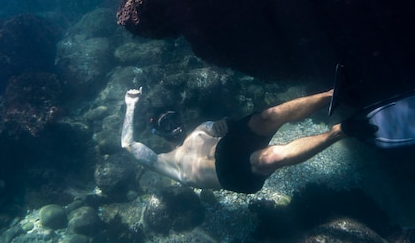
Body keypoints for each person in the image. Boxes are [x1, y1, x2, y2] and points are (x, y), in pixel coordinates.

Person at [121, 87, 344, 194]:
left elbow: (221, 124)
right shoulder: (165, 162)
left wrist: (223, 122)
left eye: (173, 118)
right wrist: (130, 105)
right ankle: (339, 132)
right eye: (165, 124)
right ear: (158, 132)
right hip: (231, 175)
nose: (175, 125)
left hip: (231, 144)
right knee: (269, 158)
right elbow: (128, 145)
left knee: (267, 117)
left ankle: (333, 94)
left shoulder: (198, 130)